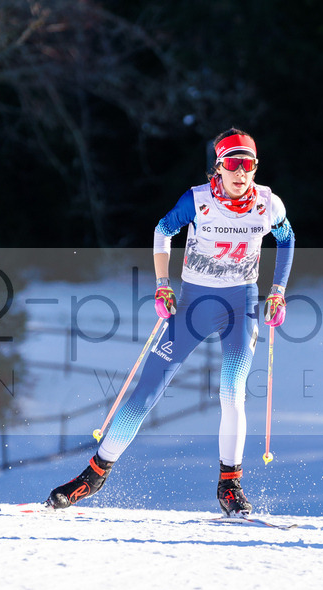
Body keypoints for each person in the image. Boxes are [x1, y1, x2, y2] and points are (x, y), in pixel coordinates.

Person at [46, 128, 295, 515]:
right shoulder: (198, 200)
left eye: (247, 165)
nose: (240, 173)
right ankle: (93, 477)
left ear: (255, 167)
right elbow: (163, 231)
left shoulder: (268, 203)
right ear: (219, 165)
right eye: (232, 164)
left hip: (240, 305)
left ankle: (230, 485)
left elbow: (287, 237)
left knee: (232, 391)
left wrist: (277, 290)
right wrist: (162, 285)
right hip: (194, 305)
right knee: (146, 392)